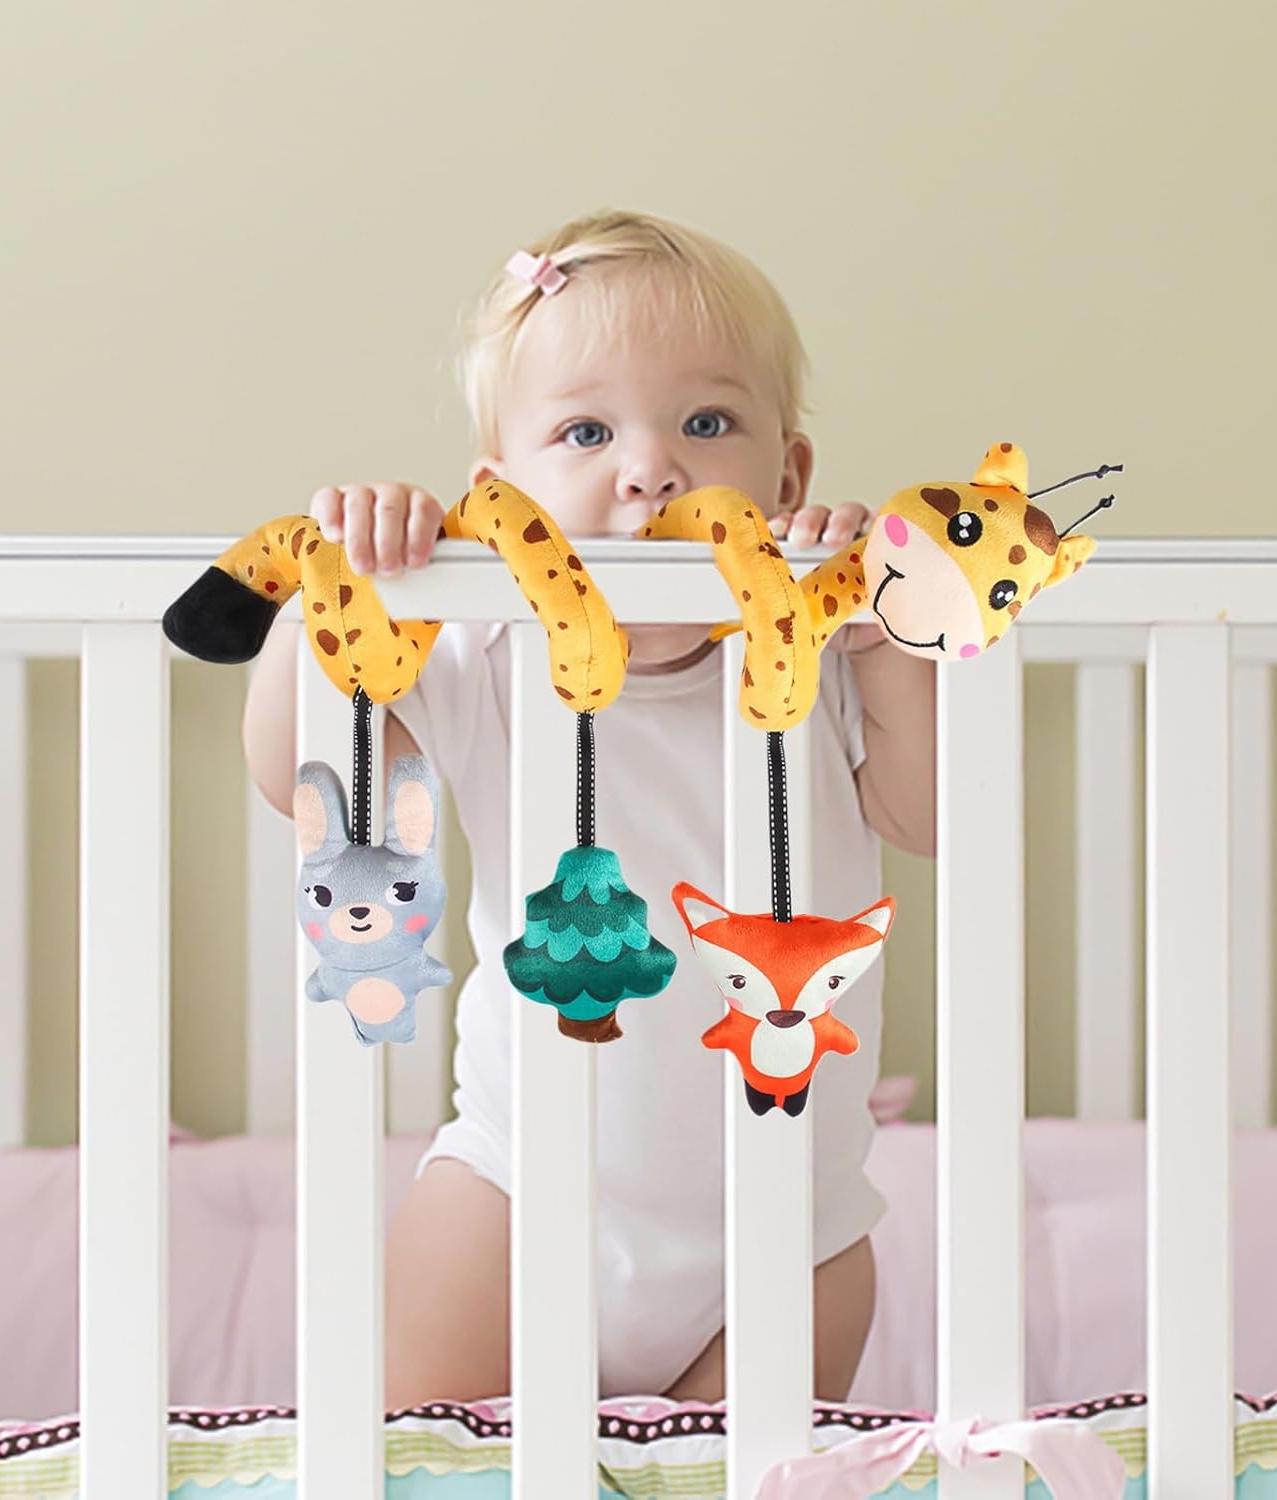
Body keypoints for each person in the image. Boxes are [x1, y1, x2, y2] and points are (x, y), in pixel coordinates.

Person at [242, 208, 936, 1407]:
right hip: (514, 1202)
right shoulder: (485, 650)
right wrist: (337, 600)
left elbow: (930, 817)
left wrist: (887, 642)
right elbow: (309, 776)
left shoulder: (820, 653)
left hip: (792, 1234)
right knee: (427, 1470)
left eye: (706, 423)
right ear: (501, 495)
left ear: (789, 478)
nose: (651, 469)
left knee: (741, 1480)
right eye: (586, 431)